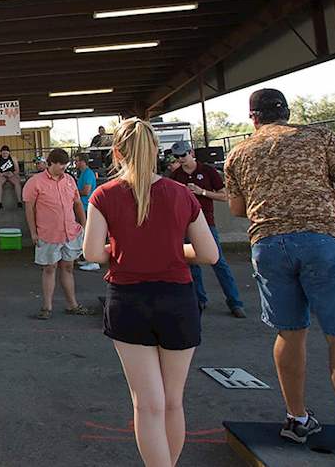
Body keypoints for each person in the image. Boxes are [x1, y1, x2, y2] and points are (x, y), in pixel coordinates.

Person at [224, 89, 335, 464]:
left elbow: (238, 207)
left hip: (267, 244)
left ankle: (297, 419)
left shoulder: (238, 153)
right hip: (322, 240)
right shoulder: (319, 137)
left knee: (290, 332)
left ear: (252, 117)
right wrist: (325, 199)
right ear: (287, 112)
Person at [81, 118, 218, 467]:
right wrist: (171, 250)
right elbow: (208, 254)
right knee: (173, 402)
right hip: (178, 300)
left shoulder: (104, 194)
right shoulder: (181, 193)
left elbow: (93, 253)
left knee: (147, 404)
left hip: (128, 301)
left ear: (116, 153)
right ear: (157, 149)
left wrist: (130, 249)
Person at [168, 141, 245, 318]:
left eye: (183, 155)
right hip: (185, 224)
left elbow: (224, 196)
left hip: (206, 223)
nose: (181, 159)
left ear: (191, 153)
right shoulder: (176, 175)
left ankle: (234, 301)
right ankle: (199, 299)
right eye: (177, 157)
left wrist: (202, 192)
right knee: (192, 263)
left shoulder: (208, 171)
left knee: (218, 262)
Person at [24, 148, 97, 319]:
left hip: (70, 232)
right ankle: (47, 307)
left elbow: (78, 204)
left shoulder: (70, 180)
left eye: (65, 165)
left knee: (68, 267)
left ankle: (72, 305)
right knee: (49, 268)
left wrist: (85, 226)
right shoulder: (35, 182)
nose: (64, 168)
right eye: (61, 165)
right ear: (51, 163)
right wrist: (33, 232)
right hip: (48, 233)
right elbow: (29, 209)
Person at [74, 154, 101, 272]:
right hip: (83, 205)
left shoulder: (88, 174)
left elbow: (86, 191)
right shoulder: (84, 174)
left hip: (86, 205)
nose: (75, 163)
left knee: (88, 233)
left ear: (83, 162)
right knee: (84, 232)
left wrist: (73, 192)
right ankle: (88, 258)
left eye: (77, 161)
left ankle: (94, 261)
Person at [0, 146, 24, 210]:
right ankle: (0, 203)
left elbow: (17, 169)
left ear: (9, 153)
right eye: (3, 153)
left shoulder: (13, 158)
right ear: (1, 153)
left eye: (6, 153)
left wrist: (12, 173)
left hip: (11, 174)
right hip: (2, 174)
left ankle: (19, 202)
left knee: (17, 183)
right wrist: (1, 174)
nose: (5, 154)